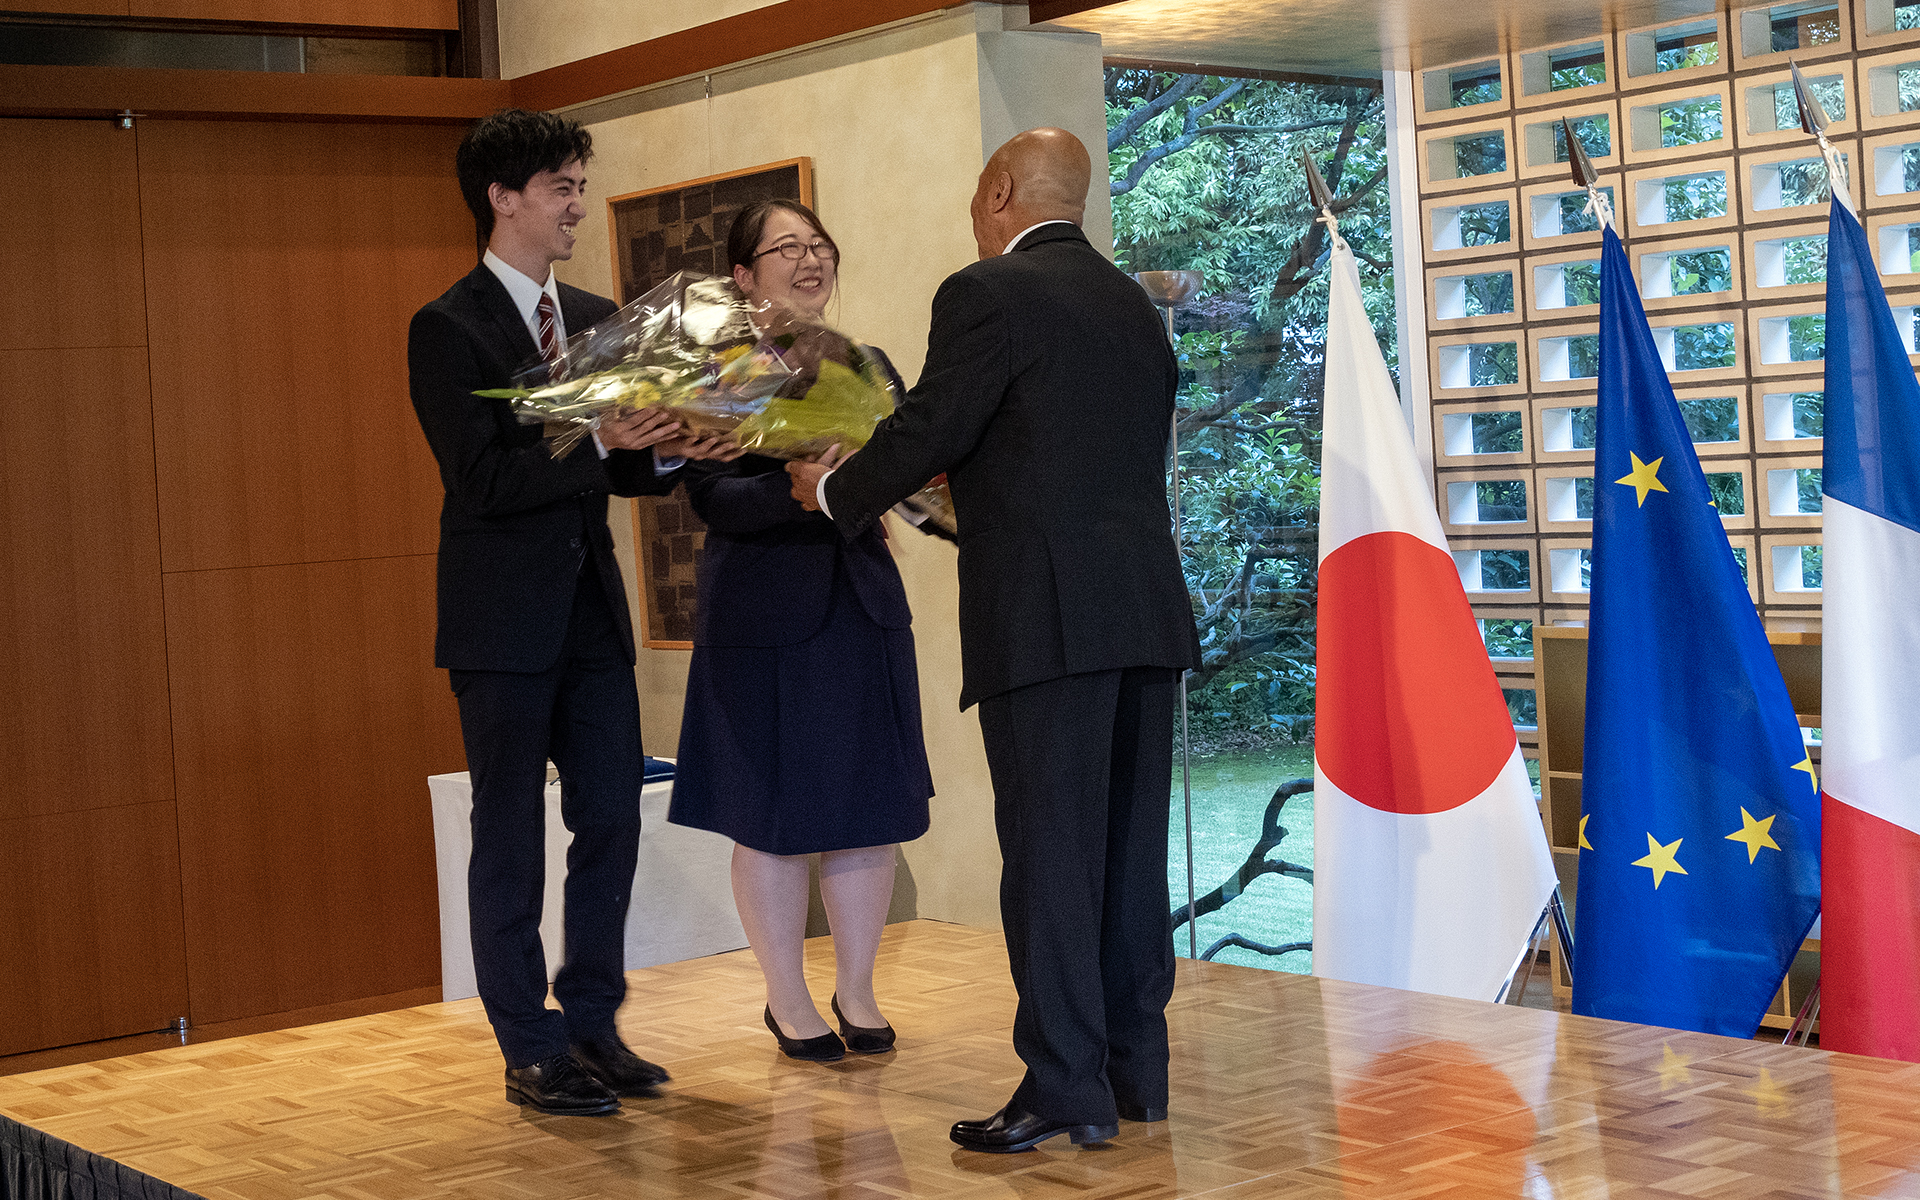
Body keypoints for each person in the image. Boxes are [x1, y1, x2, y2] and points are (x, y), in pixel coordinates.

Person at [787, 128, 1200, 1152]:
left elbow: (933, 425)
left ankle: (1064, 1086)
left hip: (1048, 622)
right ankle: (1131, 1072)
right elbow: (1052, 452)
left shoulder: (988, 292)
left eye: (978, 199)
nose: (975, 218)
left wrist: (834, 488)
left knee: (1053, 860)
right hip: (1145, 612)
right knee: (1127, 856)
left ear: (1001, 192)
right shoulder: (1132, 308)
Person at [409, 108, 733, 1116]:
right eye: (560, 188)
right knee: (508, 833)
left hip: (592, 614)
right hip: (499, 623)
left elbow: (626, 471)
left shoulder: (599, 315)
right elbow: (482, 482)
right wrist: (593, 440)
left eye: (581, 186)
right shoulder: (447, 325)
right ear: (502, 197)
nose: (577, 207)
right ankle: (528, 1041)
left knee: (610, 823)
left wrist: (676, 441)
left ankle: (594, 1019)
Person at [668, 199, 934, 1063]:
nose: (810, 260)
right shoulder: (724, 373)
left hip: (861, 605)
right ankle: (787, 1000)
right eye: (787, 248)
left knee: (868, 809)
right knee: (773, 814)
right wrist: (793, 489)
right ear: (743, 276)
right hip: (764, 617)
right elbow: (710, 501)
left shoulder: (868, 364)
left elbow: (910, 485)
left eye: (819, 245)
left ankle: (856, 990)